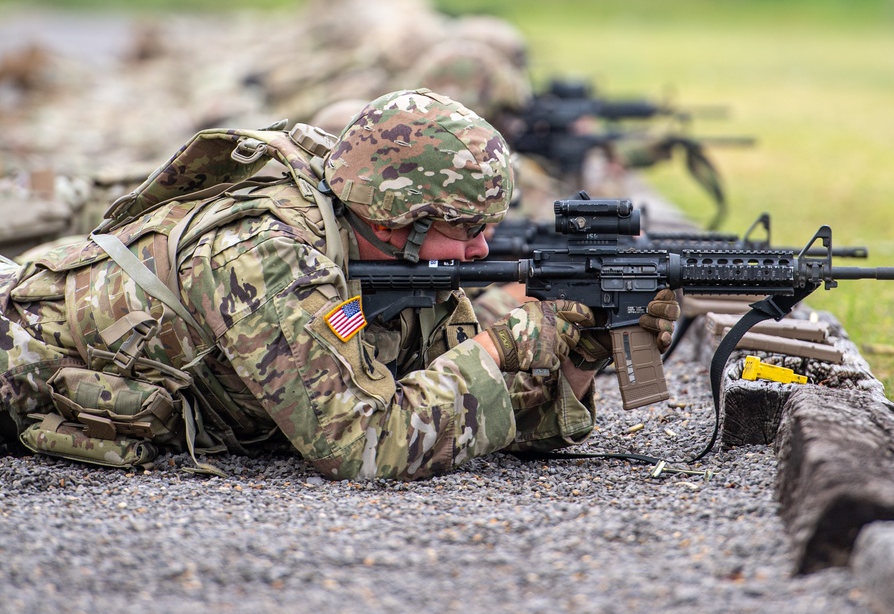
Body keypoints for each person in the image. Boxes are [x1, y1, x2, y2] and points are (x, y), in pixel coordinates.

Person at [0, 90, 677, 481]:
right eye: (465, 226)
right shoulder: (265, 256)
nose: (480, 247)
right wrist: (502, 347)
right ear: (398, 216)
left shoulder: (402, 264)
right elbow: (364, 442)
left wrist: (583, 349)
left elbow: (478, 418)